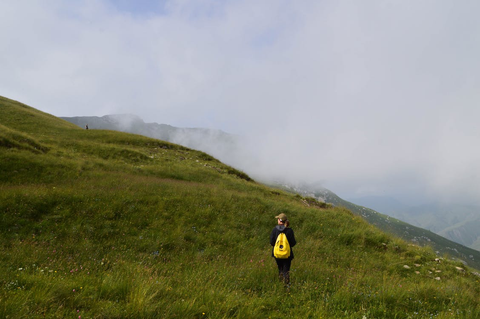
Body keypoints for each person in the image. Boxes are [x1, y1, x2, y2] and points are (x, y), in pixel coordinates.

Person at [270, 213, 296, 285]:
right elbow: (293, 243)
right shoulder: (289, 230)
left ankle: (280, 283)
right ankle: (286, 285)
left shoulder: (275, 230)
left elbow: (271, 242)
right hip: (287, 254)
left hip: (277, 254)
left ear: (279, 220)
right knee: (286, 270)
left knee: (280, 269)